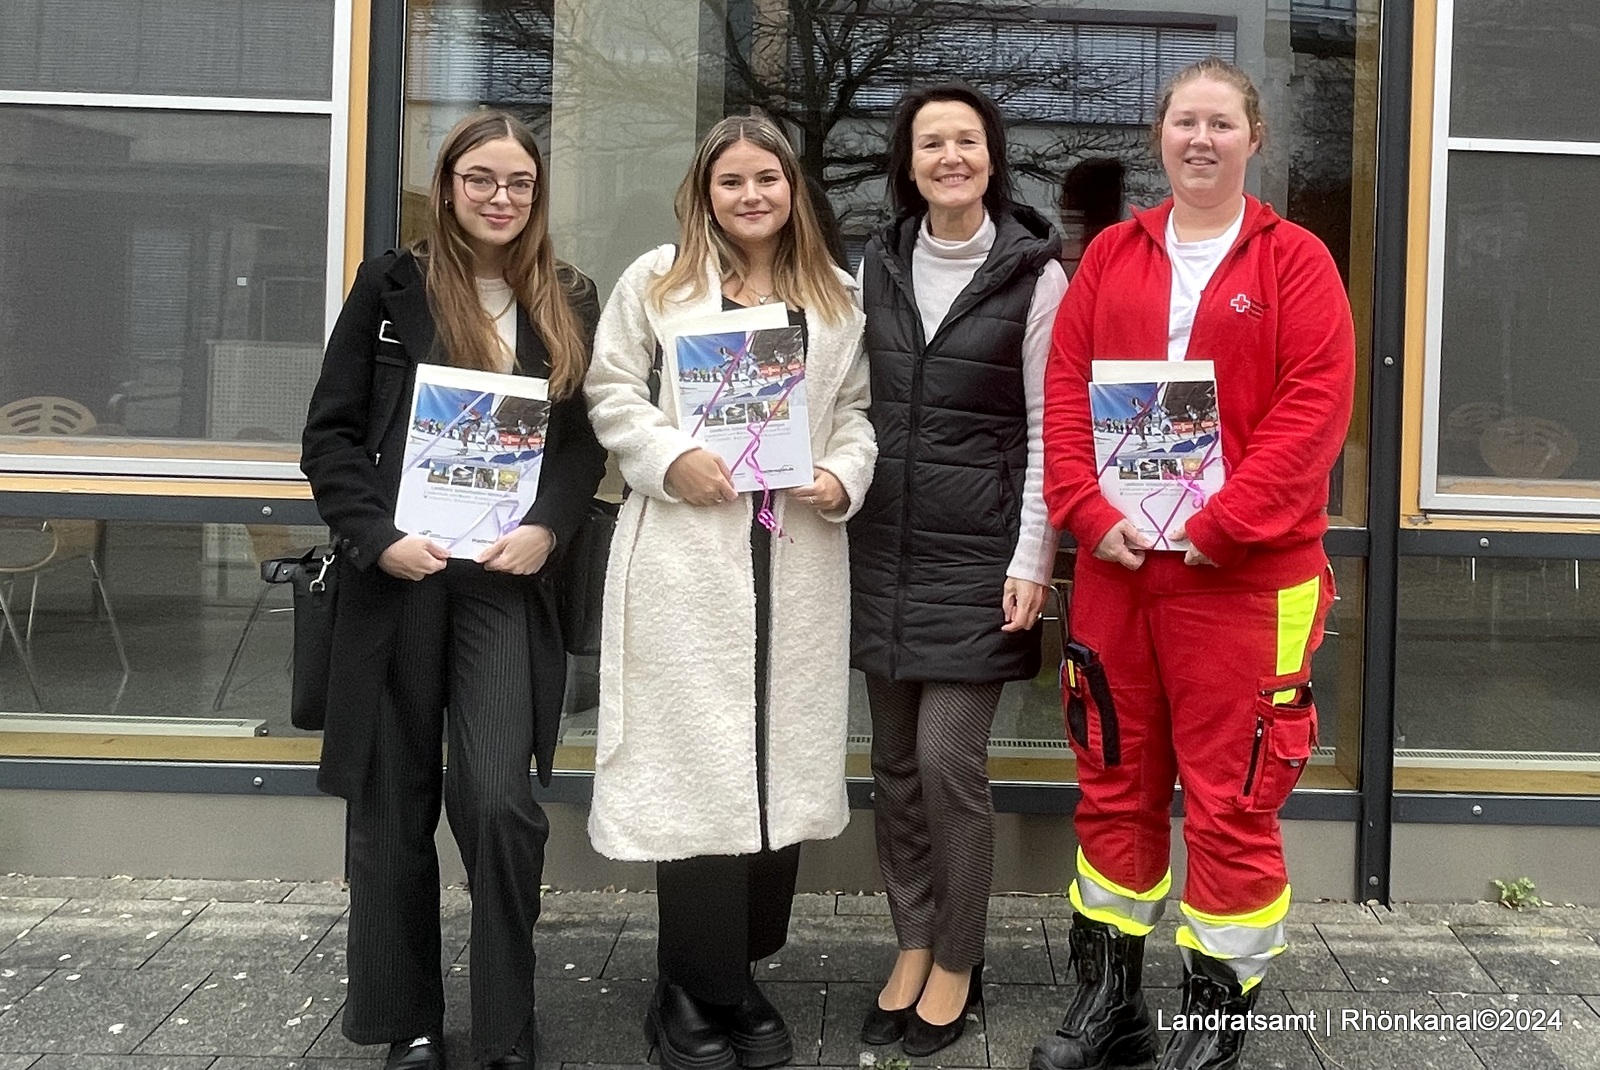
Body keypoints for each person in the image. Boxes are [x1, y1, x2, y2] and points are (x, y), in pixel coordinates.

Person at [1033, 58, 1355, 1070]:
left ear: (1253, 138)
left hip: (1246, 577)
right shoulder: (1112, 259)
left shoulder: (1295, 261)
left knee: (1231, 796)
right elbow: (1066, 391)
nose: (1200, 138)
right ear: (1159, 137)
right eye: (1184, 122)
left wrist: (1219, 523)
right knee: (1114, 780)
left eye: (1221, 122)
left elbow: (1313, 411)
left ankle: (1215, 1016)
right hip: (1120, 570)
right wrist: (1086, 511)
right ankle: (1111, 1003)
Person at [301, 110, 607, 1070]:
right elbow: (331, 437)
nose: (501, 198)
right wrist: (378, 538)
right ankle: (409, 1023)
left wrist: (549, 527)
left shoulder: (566, 296)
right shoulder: (388, 287)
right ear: (449, 184)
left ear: (537, 195)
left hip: (500, 587)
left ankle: (507, 1025)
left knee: (497, 804)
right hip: (399, 581)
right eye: (482, 179)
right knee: (392, 808)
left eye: (519, 183)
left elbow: (581, 442)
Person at [583, 114, 876, 1070]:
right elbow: (611, 392)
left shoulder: (835, 297)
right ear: (703, 193)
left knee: (775, 769)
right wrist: (671, 459)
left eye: (768, 180)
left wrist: (840, 476)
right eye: (731, 183)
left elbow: (857, 414)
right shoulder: (656, 284)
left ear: (794, 189)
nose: (751, 197)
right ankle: (699, 987)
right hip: (687, 557)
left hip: (792, 555)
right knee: (699, 769)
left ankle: (733, 971)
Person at [849, 83, 1066, 1057]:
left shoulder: (1033, 275)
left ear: (991, 158)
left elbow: (1050, 431)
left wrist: (1033, 559)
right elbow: (845, 397)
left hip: (980, 560)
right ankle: (912, 939)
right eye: (929, 142)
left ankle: (958, 959)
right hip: (881, 549)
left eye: (966, 141)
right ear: (906, 161)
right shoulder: (877, 263)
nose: (948, 156)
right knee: (892, 767)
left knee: (947, 762)